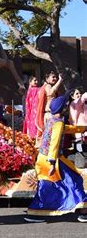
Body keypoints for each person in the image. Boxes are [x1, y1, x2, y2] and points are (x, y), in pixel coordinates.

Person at [24, 95, 87, 223]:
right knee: (74, 180)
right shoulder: (58, 123)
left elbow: (66, 129)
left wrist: (83, 128)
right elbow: (54, 142)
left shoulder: (52, 120)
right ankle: (84, 211)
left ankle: (35, 213)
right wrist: (52, 163)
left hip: (43, 159)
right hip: (51, 160)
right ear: (63, 108)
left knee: (47, 187)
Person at [35, 71, 63, 139]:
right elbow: (51, 93)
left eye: (56, 77)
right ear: (47, 79)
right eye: (53, 77)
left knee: (52, 137)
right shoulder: (47, 86)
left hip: (53, 114)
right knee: (50, 137)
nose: (55, 78)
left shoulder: (51, 86)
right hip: (49, 115)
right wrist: (60, 80)